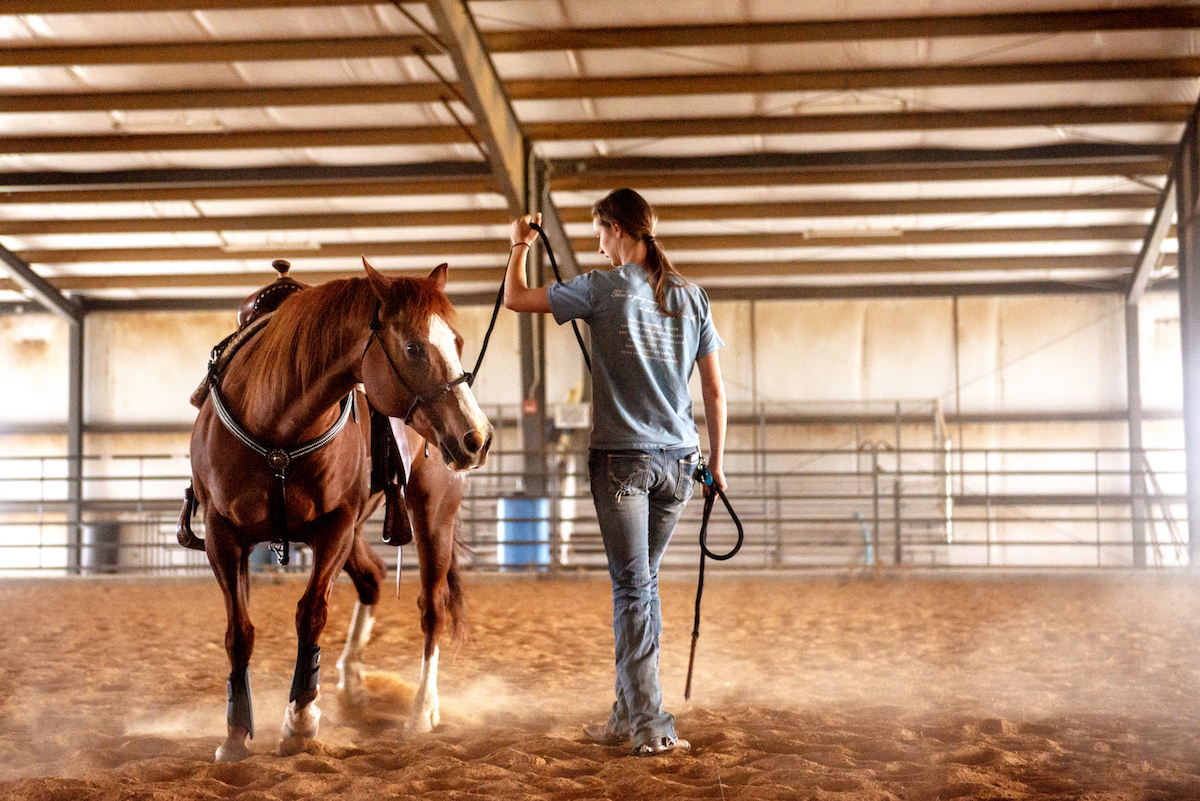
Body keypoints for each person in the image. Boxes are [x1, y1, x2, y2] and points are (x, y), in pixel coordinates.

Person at [504, 188, 727, 757]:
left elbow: (516, 299)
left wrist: (518, 246)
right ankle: (626, 713)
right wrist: (716, 465)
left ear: (620, 230)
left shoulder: (603, 290)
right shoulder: (691, 296)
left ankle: (649, 724)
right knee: (643, 585)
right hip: (681, 462)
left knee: (633, 588)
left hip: (624, 461)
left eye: (600, 233)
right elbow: (713, 389)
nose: (598, 246)